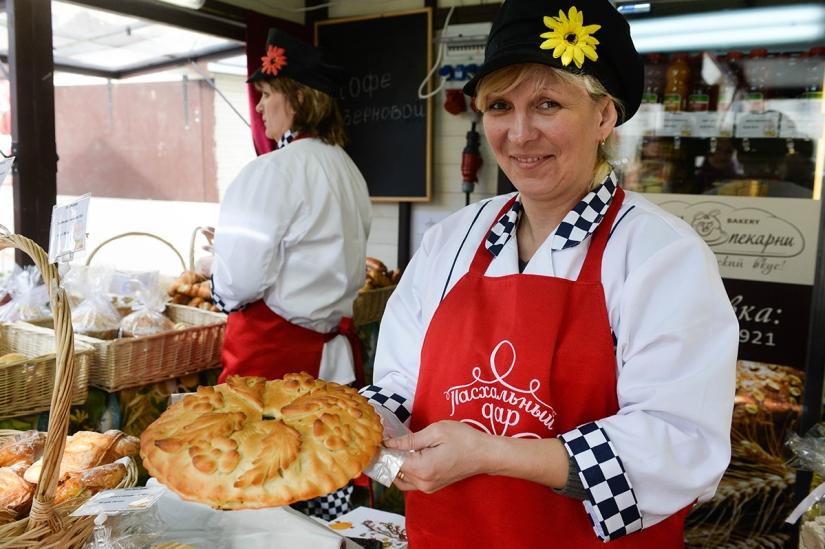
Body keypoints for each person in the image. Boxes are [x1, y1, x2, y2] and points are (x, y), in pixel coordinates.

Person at [360, 0, 738, 546]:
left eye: (547, 103)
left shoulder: (661, 254)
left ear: (604, 116)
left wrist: (493, 453)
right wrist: (374, 444)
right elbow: (398, 388)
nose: (519, 133)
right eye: (498, 106)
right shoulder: (451, 240)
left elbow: (681, 444)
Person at [211, 29, 372, 388]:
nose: (258, 106)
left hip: (275, 363)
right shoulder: (348, 169)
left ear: (298, 99)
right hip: (333, 356)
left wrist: (217, 261)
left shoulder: (271, 169)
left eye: (267, 94)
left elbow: (238, 282)